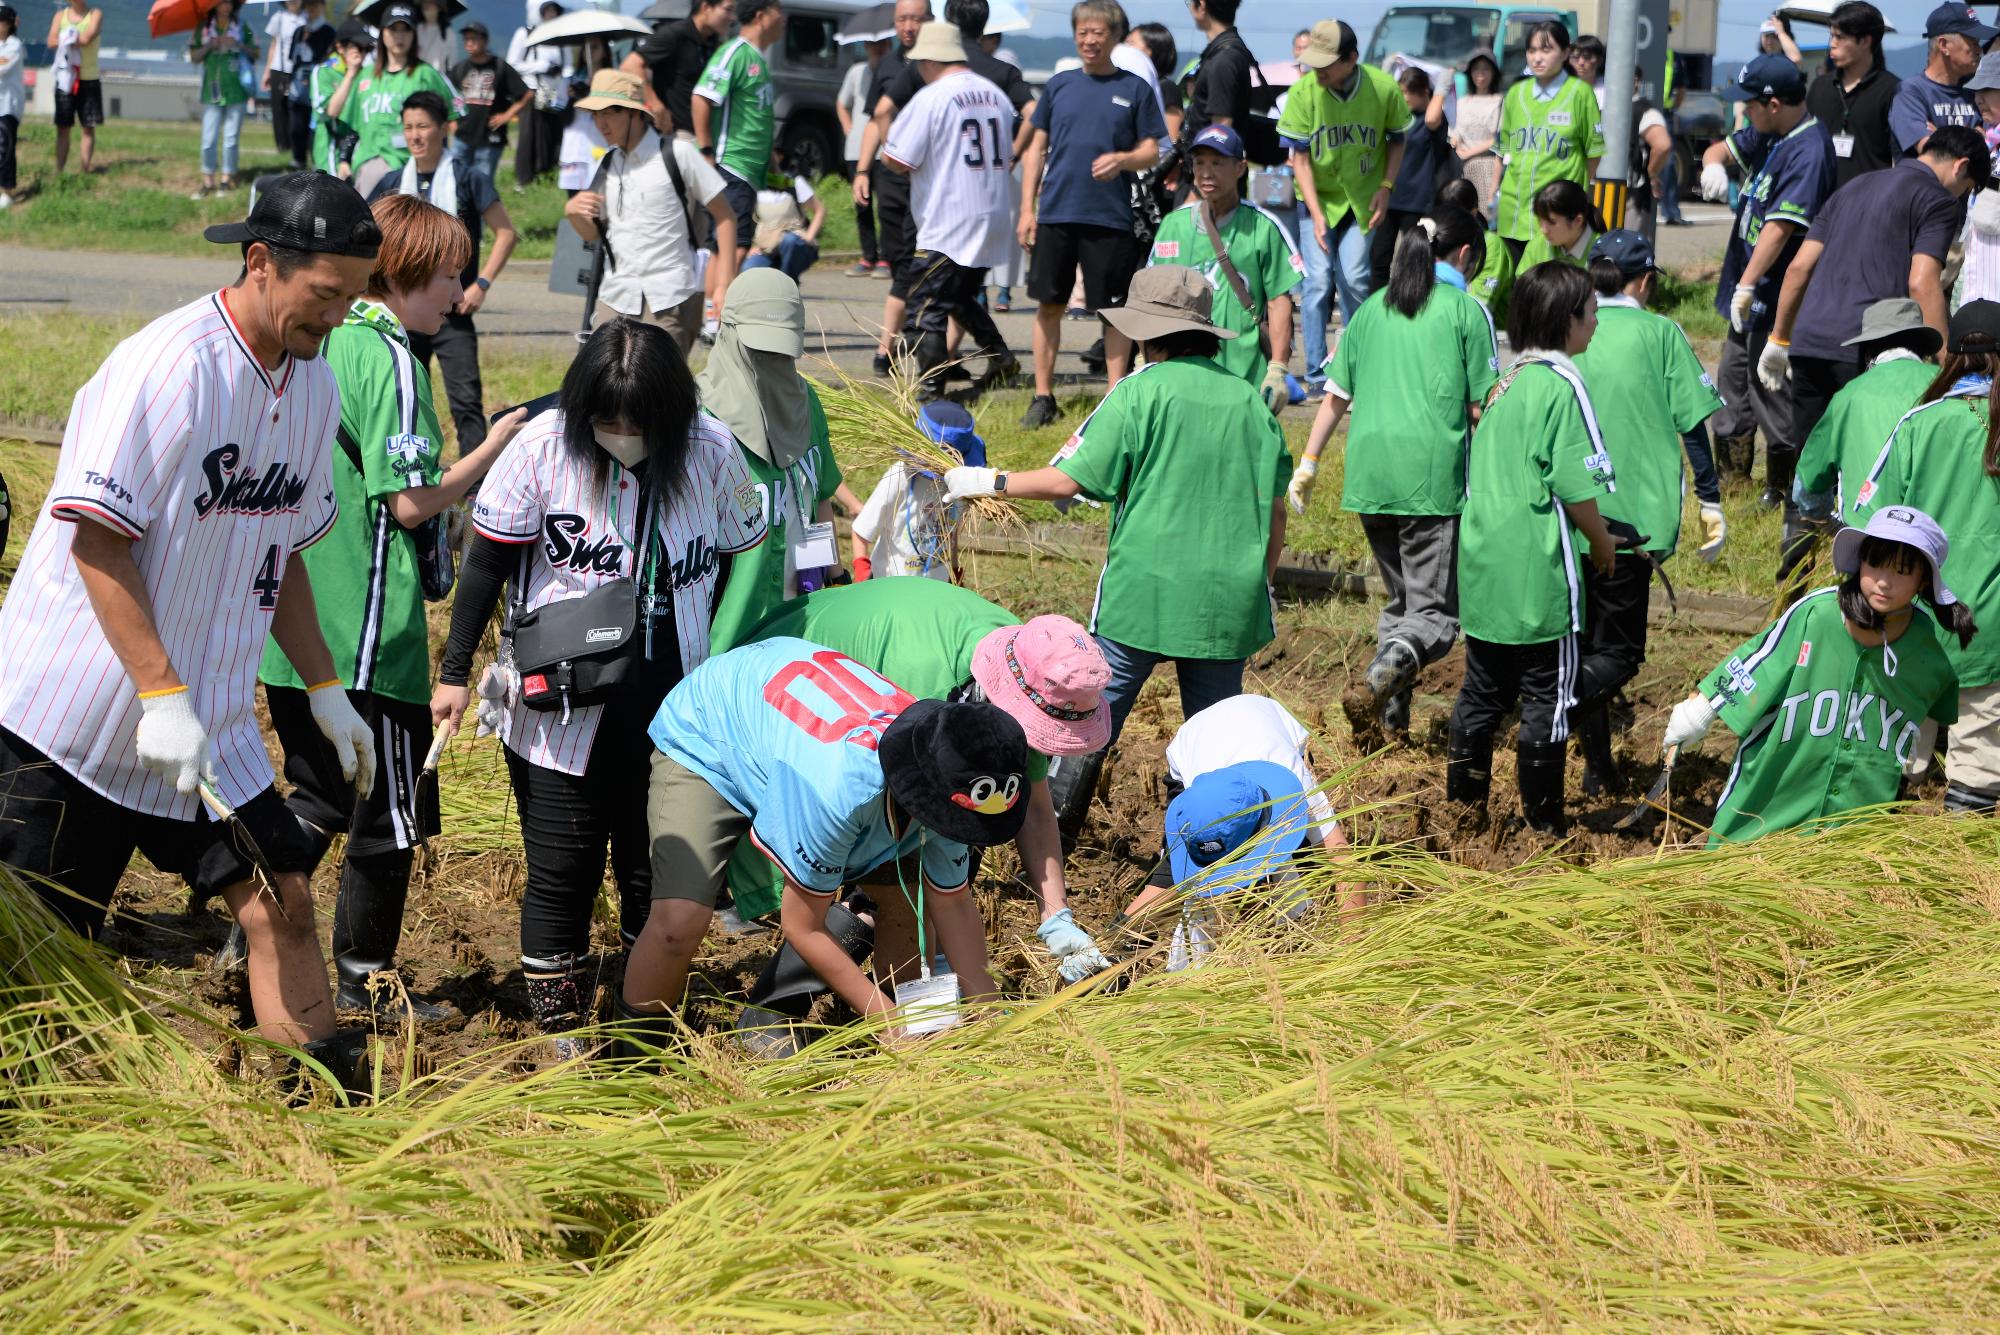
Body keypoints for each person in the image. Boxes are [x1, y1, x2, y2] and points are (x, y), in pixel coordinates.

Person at [0, 174, 385, 1092]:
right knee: (38, 952)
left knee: (285, 895)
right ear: (261, 262)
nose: (335, 318)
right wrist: (159, 695)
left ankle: (324, 1096)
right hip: (74, 721)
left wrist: (325, 688)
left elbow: (282, 544)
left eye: (351, 298)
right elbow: (95, 538)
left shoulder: (315, 386)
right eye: (324, 295)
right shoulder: (168, 366)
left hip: (207, 724)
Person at [432, 319, 768, 1059]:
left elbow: (749, 550)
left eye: (638, 423)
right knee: (563, 874)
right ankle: (562, 1037)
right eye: (606, 420)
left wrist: (722, 660)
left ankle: (637, 1017)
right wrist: (455, 673)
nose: (621, 435)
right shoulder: (542, 448)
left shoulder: (710, 450)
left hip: (672, 716)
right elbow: (484, 565)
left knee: (653, 873)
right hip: (558, 713)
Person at [256, 192, 524, 1022]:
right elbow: (410, 504)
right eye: (451, 275)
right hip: (370, 639)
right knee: (391, 818)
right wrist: (494, 447)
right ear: (407, 273)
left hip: (294, 632)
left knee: (319, 794)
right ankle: (364, 981)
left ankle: (251, 922)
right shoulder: (398, 362)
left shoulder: (326, 344)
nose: (460, 292)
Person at [944, 266, 1291, 742]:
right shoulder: (1251, 402)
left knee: (1087, 725)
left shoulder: (1137, 393)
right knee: (1216, 738)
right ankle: (1204, 816)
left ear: (1148, 333)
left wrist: (990, 481)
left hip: (1143, 597)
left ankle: (1062, 814)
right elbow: (1276, 513)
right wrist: (1265, 583)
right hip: (1228, 603)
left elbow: (1068, 481)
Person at [630, 641, 1027, 1046]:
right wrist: (886, 1021)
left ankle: (904, 1033)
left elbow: (953, 902)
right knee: (678, 923)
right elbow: (803, 926)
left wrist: (989, 1009)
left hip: (793, 730)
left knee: (905, 903)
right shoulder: (838, 791)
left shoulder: (952, 772)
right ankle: (633, 1059)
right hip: (713, 725)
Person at [742, 583, 1117, 989]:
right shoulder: (925, 698)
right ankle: (775, 1010)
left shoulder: (1044, 672)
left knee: (928, 870)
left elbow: (1037, 807)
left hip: (875, 691)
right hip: (785, 678)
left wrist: (1056, 917)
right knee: (870, 882)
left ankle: (903, 993)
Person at [1288, 207, 1496, 739]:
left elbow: (1335, 396)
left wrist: (1309, 464)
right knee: (1435, 617)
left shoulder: (1370, 311)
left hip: (1371, 479)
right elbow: (1483, 405)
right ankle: (1377, 680)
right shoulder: (1463, 311)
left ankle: (1389, 724)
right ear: (1461, 256)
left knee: (1402, 603)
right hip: (1428, 481)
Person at [1662, 507, 1970, 844]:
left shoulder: (1925, 647)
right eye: (1876, 564)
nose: (1884, 581)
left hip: (1853, 831)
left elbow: (1939, 702)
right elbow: (1756, 662)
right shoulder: (1817, 615)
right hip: (1765, 815)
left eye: (1902, 571)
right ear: (1860, 561)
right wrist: (1700, 712)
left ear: (1923, 580)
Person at [1447, 260, 1617, 835]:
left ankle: (1463, 814)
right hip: (1537, 567)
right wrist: (1602, 544)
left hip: (1483, 561)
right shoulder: (1563, 383)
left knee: (1483, 690)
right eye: (1591, 311)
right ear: (1568, 319)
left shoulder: (1505, 382)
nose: (1596, 321)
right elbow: (1575, 485)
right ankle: (1545, 829)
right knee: (1549, 691)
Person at [1568, 231, 1725, 792]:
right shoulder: (1660, 332)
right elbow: (1692, 422)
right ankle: (1555, 710)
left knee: (1585, 640)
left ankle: (1597, 767)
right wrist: (1710, 499)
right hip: (1631, 519)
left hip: (1567, 516)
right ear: (1646, 280)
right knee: (1620, 653)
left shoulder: (1569, 330)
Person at [1761, 124, 1984, 494]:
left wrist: (1779, 338)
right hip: (1870, 348)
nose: (1962, 196)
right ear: (1961, 166)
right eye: (1968, 188)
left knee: (1811, 469)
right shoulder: (1938, 201)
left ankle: (1798, 543)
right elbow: (1922, 281)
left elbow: (1799, 267)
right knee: (1865, 471)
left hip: (1810, 342)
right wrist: (1947, 360)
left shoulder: (1852, 187)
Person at [1842, 303, 2000, 814]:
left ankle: (1876, 868)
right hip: (1993, 629)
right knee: (1978, 759)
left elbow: (1872, 521)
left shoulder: (1918, 423)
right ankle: (1959, 875)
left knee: (1898, 747)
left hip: (1917, 617)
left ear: (1949, 355)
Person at [1111, 695, 1351, 965]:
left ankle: (1278, 939)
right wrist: (1106, 952)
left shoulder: (1294, 790)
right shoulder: (1196, 804)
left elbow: (1342, 858)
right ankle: (1108, 952)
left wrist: (1350, 954)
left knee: (1300, 861)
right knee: (1179, 879)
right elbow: (1171, 883)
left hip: (1264, 731)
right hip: (1193, 748)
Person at [1016, 1, 1166, 424]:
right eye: (1082, 32)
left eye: (1098, 32)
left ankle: (1115, 398)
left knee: (1113, 311)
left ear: (1115, 36)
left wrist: (1121, 160)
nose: (1089, 40)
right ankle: (1043, 397)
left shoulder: (1134, 88)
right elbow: (1035, 149)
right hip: (1056, 212)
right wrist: (1027, 209)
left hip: (1110, 216)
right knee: (1049, 304)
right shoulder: (1060, 85)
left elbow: (1153, 149)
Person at [1699, 54, 1836, 508]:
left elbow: (1779, 229)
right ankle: (1732, 482)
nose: (1745, 112)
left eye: (1750, 104)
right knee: (1732, 383)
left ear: (1773, 103)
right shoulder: (1769, 129)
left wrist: (1747, 284)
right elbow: (1722, 147)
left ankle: (1782, 491)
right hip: (1746, 292)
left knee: (1770, 388)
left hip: (1775, 294)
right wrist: (1712, 165)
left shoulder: (1809, 149)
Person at [699, 270, 845, 651]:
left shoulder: (806, 403)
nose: (773, 363)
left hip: (800, 626)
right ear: (728, 332)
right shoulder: (700, 423)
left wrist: (835, 576)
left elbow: (820, 500)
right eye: (761, 350)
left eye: (783, 352)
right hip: (724, 641)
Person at [368, 90, 519, 456]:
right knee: (403, 395)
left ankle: (476, 486)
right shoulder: (392, 182)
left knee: (466, 399)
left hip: (454, 308)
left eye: (423, 126)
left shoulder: (468, 178)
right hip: (403, 309)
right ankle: (413, 468)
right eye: (408, 127)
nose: (415, 135)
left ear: (444, 128)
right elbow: (366, 233)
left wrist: (480, 283)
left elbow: (507, 232)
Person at [883, 22, 1019, 397]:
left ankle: (931, 396)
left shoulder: (932, 97)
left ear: (929, 59)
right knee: (956, 297)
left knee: (924, 309)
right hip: (991, 214)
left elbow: (896, 158)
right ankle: (1002, 358)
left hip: (948, 220)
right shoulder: (994, 94)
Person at [562, 69, 736, 355]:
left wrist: (723, 285)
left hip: (670, 298)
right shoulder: (607, 163)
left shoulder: (678, 153)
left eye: (609, 112)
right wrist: (573, 213)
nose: (600, 122)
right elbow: (593, 232)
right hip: (615, 295)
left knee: (658, 395)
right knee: (600, 390)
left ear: (634, 114)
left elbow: (725, 215)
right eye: (595, 114)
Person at [1278, 20, 1410, 393]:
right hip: (1315, 199)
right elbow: (1299, 159)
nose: (1315, 70)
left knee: (1353, 277)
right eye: (1312, 62)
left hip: (1363, 198)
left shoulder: (1383, 88)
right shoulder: (1304, 92)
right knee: (1317, 282)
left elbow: (1398, 140)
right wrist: (1317, 215)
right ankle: (1319, 374)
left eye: (1325, 63)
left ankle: (1351, 365)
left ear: (1352, 58)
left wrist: (1386, 186)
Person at [1144, 124, 1299, 404]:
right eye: (1199, 162)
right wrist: (1144, 358)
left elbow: (1279, 301)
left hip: (1245, 375)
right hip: (1181, 373)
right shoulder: (1173, 225)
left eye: (1217, 163)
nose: (1205, 172)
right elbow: (1152, 300)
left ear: (1240, 168)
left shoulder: (1263, 227)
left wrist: (1277, 368)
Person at [1795, 297, 1943, 523]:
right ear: (1922, 348)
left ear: (1868, 350)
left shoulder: (1849, 396)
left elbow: (1809, 483)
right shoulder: (1947, 385)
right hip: (1938, 533)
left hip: (1869, 536)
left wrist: (1822, 517)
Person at [853, 0, 935, 376]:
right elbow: (874, 121)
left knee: (919, 264)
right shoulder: (886, 64)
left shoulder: (939, 64)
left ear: (929, 21)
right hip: (891, 178)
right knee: (899, 257)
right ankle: (915, 341)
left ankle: (888, 347)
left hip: (930, 179)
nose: (907, 26)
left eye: (915, 18)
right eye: (901, 19)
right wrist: (863, 170)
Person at [693, 0, 786, 315]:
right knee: (734, 242)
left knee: (727, 244)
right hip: (731, 163)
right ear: (761, 16)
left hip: (752, 170)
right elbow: (702, 97)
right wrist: (706, 153)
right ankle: (716, 313)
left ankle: (711, 311)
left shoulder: (760, 59)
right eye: (778, 10)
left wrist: (773, 166)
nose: (783, 18)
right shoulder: (735, 52)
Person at [1493, 21, 1604, 265]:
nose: (1537, 58)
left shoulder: (1580, 94)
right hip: (1514, 211)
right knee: (1513, 289)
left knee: (1549, 289)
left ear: (1565, 53)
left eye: (1546, 50)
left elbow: (1594, 152)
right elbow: (1502, 151)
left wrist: (1574, 192)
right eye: (1532, 50)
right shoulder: (1515, 94)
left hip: (1556, 216)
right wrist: (1494, 194)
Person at [851, 401, 977, 581]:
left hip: (934, 589)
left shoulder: (962, 484)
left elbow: (952, 533)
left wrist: (954, 572)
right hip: (892, 586)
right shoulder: (900, 476)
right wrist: (862, 574)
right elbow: (861, 532)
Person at [350, 3, 458, 196]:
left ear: (414, 34)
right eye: (393, 29)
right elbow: (351, 126)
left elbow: (453, 113)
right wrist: (344, 159)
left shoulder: (427, 74)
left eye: (406, 30)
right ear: (382, 33)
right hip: (370, 167)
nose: (399, 36)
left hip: (415, 168)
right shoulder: (365, 76)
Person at [1368, 66, 1447, 291]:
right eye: (1400, 91)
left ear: (1424, 92)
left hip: (1418, 200)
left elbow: (1432, 118)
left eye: (1407, 92)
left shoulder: (1431, 119)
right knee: (1379, 257)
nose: (1403, 97)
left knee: (1415, 257)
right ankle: (1377, 306)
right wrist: (1386, 71)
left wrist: (1442, 84)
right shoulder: (1397, 117)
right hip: (1389, 197)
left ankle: (1414, 300)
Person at [1807, 2, 1899, 190]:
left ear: (1865, 41)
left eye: (1840, 37)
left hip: (1870, 206)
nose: (1832, 44)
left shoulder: (1893, 90)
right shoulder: (1820, 87)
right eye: (1831, 35)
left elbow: (1900, 160)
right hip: (1820, 206)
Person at [1890, 2, 1993, 157]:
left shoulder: (1976, 90)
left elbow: (1988, 146)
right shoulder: (1910, 92)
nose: (1979, 50)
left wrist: (1939, 136)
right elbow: (1931, 153)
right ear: (1944, 45)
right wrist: (1974, 136)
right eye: (1972, 42)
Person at [628, 0, 727, 141]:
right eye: (728, 9)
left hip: (709, 133)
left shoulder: (712, 40)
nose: (732, 17)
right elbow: (631, 65)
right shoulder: (675, 34)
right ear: (706, 7)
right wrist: (655, 106)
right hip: (680, 134)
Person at [188, 0, 257, 202]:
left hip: (237, 90)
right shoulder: (203, 28)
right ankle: (207, 180)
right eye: (221, 2)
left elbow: (256, 52)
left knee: (230, 139)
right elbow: (194, 56)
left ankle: (227, 178)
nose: (225, 6)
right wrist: (211, 45)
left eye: (229, 2)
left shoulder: (243, 27)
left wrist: (237, 44)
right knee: (208, 140)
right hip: (212, 91)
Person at [448, 21, 531, 182]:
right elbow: (449, 96)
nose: (469, 43)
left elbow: (526, 94)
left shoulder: (500, 67)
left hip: (489, 138)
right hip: (462, 136)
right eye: (466, 39)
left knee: (482, 184)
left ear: (485, 41)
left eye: (474, 38)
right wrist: (452, 121)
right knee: (456, 182)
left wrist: (507, 116)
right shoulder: (459, 68)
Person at [837, 36, 890, 275]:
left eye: (882, 43)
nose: (877, 47)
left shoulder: (894, 71)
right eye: (871, 43)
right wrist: (849, 128)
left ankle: (887, 257)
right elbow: (841, 103)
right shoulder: (856, 71)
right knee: (862, 204)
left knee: (887, 205)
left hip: (884, 150)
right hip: (856, 149)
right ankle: (868, 255)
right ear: (865, 46)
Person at [1438, 175, 1513, 326]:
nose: (1446, 221)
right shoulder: (1437, 238)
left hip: (1492, 333)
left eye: (1453, 215)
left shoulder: (1491, 245)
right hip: (1447, 321)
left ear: (1473, 213)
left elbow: (1480, 305)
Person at [1177, 0, 1252, 150]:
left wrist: (1205, 170)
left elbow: (1220, 133)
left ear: (1202, 5)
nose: (1191, 7)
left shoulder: (1222, 60)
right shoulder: (1228, 51)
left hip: (1209, 167)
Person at [509, 1, 568, 187]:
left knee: (552, 136)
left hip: (555, 94)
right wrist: (541, 67)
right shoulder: (525, 33)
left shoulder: (560, 36)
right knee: (529, 136)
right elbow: (512, 63)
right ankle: (524, 179)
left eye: (554, 10)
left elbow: (568, 65)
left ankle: (548, 174)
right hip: (531, 92)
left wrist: (563, 76)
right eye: (547, 10)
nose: (551, 14)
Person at [742, 157, 826, 283]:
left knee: (790, 241)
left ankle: (787, 283)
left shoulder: (794, 181)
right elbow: (745, 221)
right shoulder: (754, 184)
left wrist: (809, 238)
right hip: (766, 247)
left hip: (793, 243)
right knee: (748, 269)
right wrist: (750, 248)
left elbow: (820, 211)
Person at [309, 19, 371, 178]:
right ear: (340, 47)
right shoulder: (323, 71)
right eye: (356, 46)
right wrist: (350, 74)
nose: (361, 53)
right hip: (331, 145)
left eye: (366, 48)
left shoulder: (368, 74)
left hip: (360, 145)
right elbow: (330, 111)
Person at [47, 0, 100, 175]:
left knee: (88, 125)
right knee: (63, 126)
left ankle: (85, 168)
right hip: (65, 78)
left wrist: (66, 37)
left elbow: (87, 38)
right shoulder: (60, 16)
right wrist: (69, 37)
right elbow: (51, 41)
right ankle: (59, 170)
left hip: (88, 77)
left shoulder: (95, 14)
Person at [1452, 50, 1503, 217]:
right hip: (1462, 168)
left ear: (1493, 73)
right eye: (1476, 69)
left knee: (1484, 219)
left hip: (1487, 168)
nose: (1480, 74)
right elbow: (1455, 132)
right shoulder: (1462, 102)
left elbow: (1498, 139)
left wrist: (1467, 153)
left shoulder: (1499, 101)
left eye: (1486, 69)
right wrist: (1455, 145)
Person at [1517, 178, 1602, 273]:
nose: (1544, 230)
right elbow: (1523, 285)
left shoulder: (1602, 251)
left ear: (1577, 221)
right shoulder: (1538, 244)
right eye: (1540, 220)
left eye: (1551, 222)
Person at [263, 0, 310, 169]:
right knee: (278, 108)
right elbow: (273, 45)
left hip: (299, 68)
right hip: (279, 68)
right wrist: (267, 70)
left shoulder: (307, 17)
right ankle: (282, 145)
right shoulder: (279, 17)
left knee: (297, 108)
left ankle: (297, 145)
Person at [0, 5, 23, 211]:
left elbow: (3, 68)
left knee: (5, 147)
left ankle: (7, 191)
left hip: (8, 105)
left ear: (8, 24)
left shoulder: (14, 45)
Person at [413, 0, 456, 70]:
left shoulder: (447, 32)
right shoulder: (416, 29)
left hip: (436, 77)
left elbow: (452, 62)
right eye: (423, 3)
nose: (425, 5)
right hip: (416, 75)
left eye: (430, 2)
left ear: (439, 8)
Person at [1569, 33, 1607, 110]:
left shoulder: (1607, 90)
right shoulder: (1561, 87)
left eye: (1587, 57)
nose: (1581, 62)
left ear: (1599, 61)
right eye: (1575, 56)